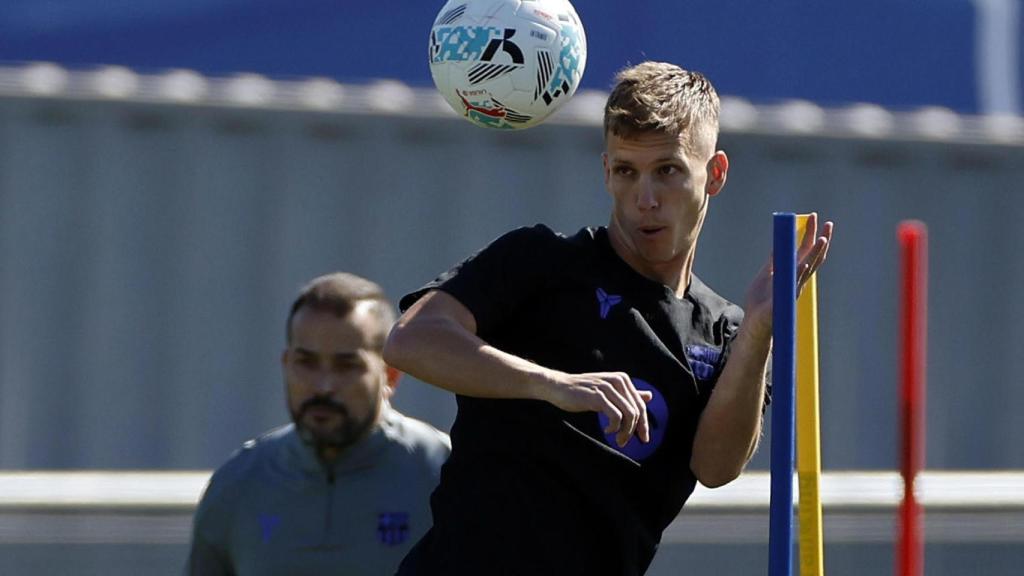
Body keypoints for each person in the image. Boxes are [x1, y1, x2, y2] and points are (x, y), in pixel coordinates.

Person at [384, 61, 833, 575]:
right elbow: (410, 340)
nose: (645, 200)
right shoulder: (540, 260)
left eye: (667, 171)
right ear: (605, 171)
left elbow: (716, 468)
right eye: (626, 171)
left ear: (714, 175)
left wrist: (759, 331)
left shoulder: (727, 330)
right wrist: (554, 384)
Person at [186, 272, 451, 576]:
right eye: (307, 363)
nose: (323, 386)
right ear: (286, 365)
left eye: (346, 365)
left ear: (389, 376)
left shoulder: (446, 475)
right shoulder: (238, 486)